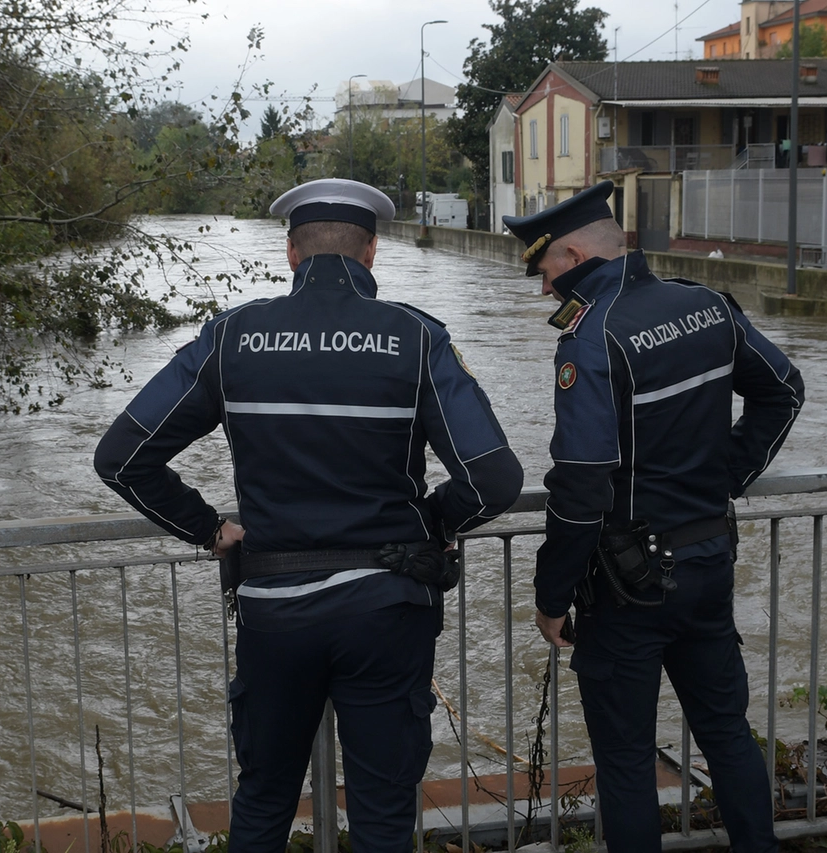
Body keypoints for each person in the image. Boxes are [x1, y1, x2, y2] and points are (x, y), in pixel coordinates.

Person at [94, 178, 524, 853]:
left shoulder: (232, 336)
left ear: (291, 252)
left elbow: (122, 457)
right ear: (372, 251)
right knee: (383, 812)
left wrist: (207, 526)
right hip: (387, 609)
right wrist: (431, 521)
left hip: (275, 611)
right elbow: (495, 476)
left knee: (264, 800)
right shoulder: (416, 337)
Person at [504, 181, 804, 853]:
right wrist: (725, 474)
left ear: (575, 253)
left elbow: (580, 489)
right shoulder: (707, 305)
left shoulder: (590, 337)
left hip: (626, 588)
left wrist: (551, 596)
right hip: (707, 563)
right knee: (726, 732)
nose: (546, 290)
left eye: (546, 269)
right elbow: (782, 390)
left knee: (627, 761)